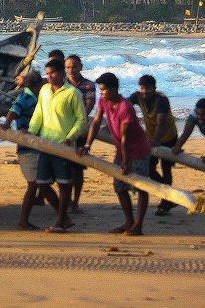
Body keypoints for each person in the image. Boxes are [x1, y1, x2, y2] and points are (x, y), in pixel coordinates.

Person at [80, 72, 151, 235]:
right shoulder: (103, 100)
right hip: (122, 149)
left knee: (141, 186)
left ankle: (138, 225)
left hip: (138, 149)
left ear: (114, 89)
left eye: (104, 90)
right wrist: (87, 145)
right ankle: (129, 221)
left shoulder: (125, 106)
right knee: (119, 186)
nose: (102, 93)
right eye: (100, 90)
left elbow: (125, 136)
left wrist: (125, 161)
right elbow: (96, 121)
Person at [27, 58, 87, 233]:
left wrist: (70, 137)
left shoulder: (73, 93)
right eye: (47, 73)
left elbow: (81, 120)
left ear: (61, 73)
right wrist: (31, 132)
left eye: (52, 73)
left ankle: (60, 220)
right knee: (43, 183)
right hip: (45, 143)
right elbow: (39, 113)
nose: (49, 76)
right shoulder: (44, 90)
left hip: (64, 146)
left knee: (64, 184)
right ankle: (64, 217)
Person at [1, 69, 58, 229]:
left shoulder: (37, 94)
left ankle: (62, 214)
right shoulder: (25, 97)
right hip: (27, 147)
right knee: (35, 184)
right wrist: (6, 124)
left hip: (39, 144)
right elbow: (14, 110)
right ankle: (24, 220)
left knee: (41, 183)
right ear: (36, 85)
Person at [128, 74, 179, 215]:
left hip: (168, 137)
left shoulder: (162, 100)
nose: (145, 92)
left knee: (166, 168)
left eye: (148, 88)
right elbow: (124, 107)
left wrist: (156, 141)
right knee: (149, 168)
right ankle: (168, 196)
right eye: (143, 88)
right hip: (150, 136)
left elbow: (161, 122)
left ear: (154, 88)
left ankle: (165, 201)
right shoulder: (137, 96)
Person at [64, 54, 96, 213]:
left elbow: (89, 105)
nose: (71, 70)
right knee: (64, 168)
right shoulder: (62, 84)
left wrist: (78, 121)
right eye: (68, 67)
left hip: (81, 132)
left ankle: (75, 202)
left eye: (74, 66)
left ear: (81, 67)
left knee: (77, 169)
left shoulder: (88, 85)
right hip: (63, 131)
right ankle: (66, 200)